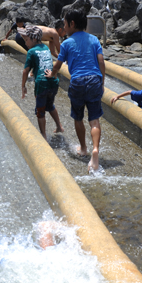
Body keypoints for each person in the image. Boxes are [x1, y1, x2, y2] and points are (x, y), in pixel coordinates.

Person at [46, 10, 105, 172]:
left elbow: (58, 65)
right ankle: (95, 150)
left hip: (78, 82)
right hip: (94, 80)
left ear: (72, 24)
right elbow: (101, 62)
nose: (64, 27)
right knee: (94, 119)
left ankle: (84, 148)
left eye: (65, 24)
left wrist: (52, 74)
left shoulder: (66, 43)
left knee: (78, 117)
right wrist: (102, 82)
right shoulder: (94, 40)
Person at [20, 25, 64, 140]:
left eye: (26, 40)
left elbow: (25, 71)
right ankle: (59, 126)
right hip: (53, 82)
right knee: (50, 105)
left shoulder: (31, 51)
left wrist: (23, 86)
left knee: (40, 111)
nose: (25, 43)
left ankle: (43, 136)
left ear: (34, 39)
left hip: (42, 84)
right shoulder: (45, 48)